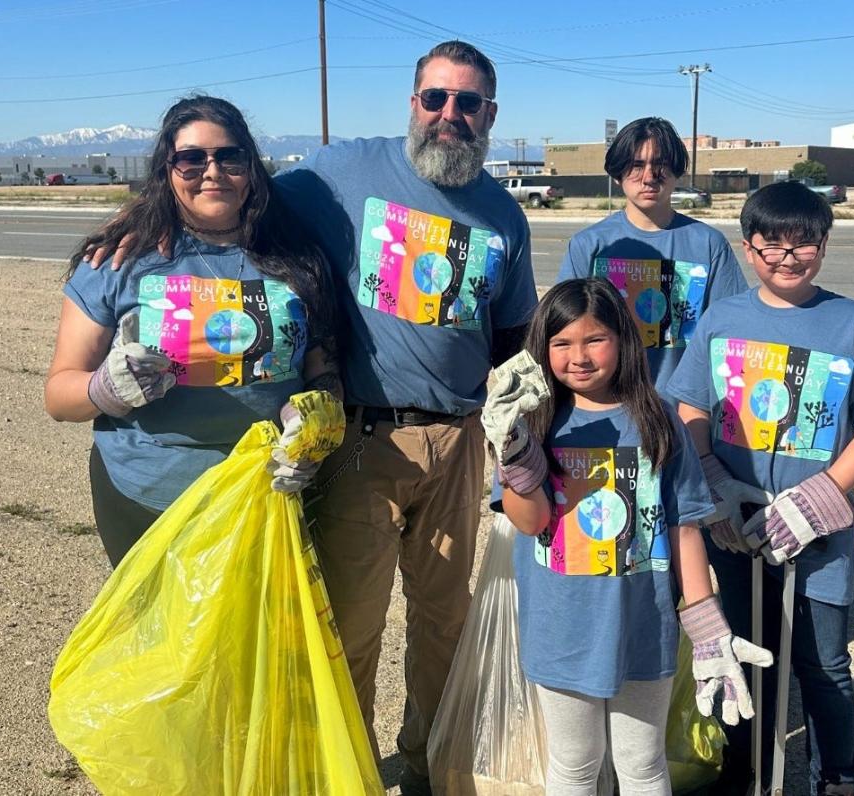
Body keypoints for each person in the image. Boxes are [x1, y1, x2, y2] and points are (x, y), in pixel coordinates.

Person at [82, 41, 537, 795]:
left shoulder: (503, 214)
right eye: (435, 98)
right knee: (347, 631)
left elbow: (512, 332)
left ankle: (430, 763)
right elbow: (225, 198)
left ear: (490, 115)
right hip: (361, 439)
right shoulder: (338, 173)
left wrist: (519, 402)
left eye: (468, 103)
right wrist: (142, 225)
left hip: (457, 442)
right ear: (412, 102)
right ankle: (345, 773)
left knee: (446, 626)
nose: (449, 115)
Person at [482, 278, 771, 795]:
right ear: (542, 348)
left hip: (645, 624)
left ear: (623, 339)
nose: (579, 356)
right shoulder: (532, 421)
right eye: (561, 343)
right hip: (561, 627)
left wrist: (708, 628)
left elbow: (683, 529)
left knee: (642, 764)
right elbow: (529, 521)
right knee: (574, 766)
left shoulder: (659, 420)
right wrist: (513, 451)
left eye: (595, 339)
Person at [667, 181, 854, 796]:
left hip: (818, 539)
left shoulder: (852, 321)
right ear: (749, 249)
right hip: (735, 529)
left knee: (824, 664)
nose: (787, 256)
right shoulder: (723, 318)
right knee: (748, 650)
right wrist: (714, 479)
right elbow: (691, 403)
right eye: (771, 243)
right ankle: (748, 769)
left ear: (823, 247)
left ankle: (836, 775)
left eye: (804, 243)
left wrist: (821, 497)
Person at [45, 95, 341, 568]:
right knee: (158, 642)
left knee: (248, 642)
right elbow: (59, 396)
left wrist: (318, 420)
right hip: (144, 499)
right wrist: (104, 390)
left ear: (252, 166)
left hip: (263, 496)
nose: (213, 171)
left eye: (230, 156)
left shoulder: (297, 258)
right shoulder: (122, 259)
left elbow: (323, 371)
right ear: (167, 169)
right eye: (190, 159)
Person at [558, 117, 747, 396]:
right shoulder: (589, 245)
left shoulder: (708, 244)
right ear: (617, 173)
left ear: (677, 170)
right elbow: (564, 332)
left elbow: (730, 334)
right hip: (607, 409)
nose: (648, 177)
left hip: (683, 415)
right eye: (636, 165)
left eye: (660, 165)